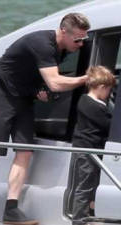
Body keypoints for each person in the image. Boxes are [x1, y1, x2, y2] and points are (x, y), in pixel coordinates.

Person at [0, 13, 91, 224]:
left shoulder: (61, 49)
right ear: (64, 31)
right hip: (0, 94)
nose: (81, 44)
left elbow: (42, 80)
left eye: (84, 39)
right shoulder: (42, 44)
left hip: (23, 98)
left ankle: (11, 209)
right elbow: (55, 83)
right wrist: (85, 79)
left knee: (25, 151)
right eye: (78, 39)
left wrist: (40, 90)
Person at [68, 66, 115, 225]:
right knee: (84, 186)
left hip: (91, 150)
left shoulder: (86, 101)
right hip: (86, 151)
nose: (109, 94)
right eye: (109, 89)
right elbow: (107, 125)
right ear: (101, 88)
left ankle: (88, 213)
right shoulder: (92, 105)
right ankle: (79, 219)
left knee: (91, 183)